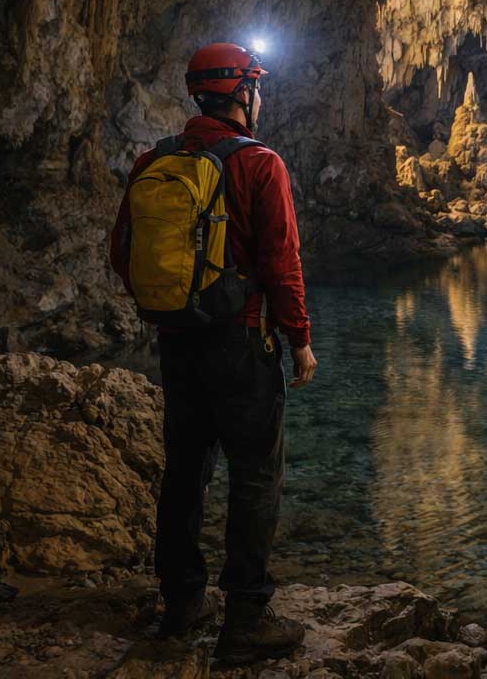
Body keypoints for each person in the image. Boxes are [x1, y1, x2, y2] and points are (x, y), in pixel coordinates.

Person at [110, 42, 318, 664]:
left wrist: (178, 306)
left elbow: (123, 252)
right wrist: (300, 339)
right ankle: (246, 619)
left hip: (178, 344)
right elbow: (282, 262)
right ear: (241, 95)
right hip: (242, 343)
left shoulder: (155, 160)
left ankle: (181, 603)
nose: (261, 97)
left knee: (184, 470)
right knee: (255, 473)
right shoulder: (259, 163)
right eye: (257, 87)